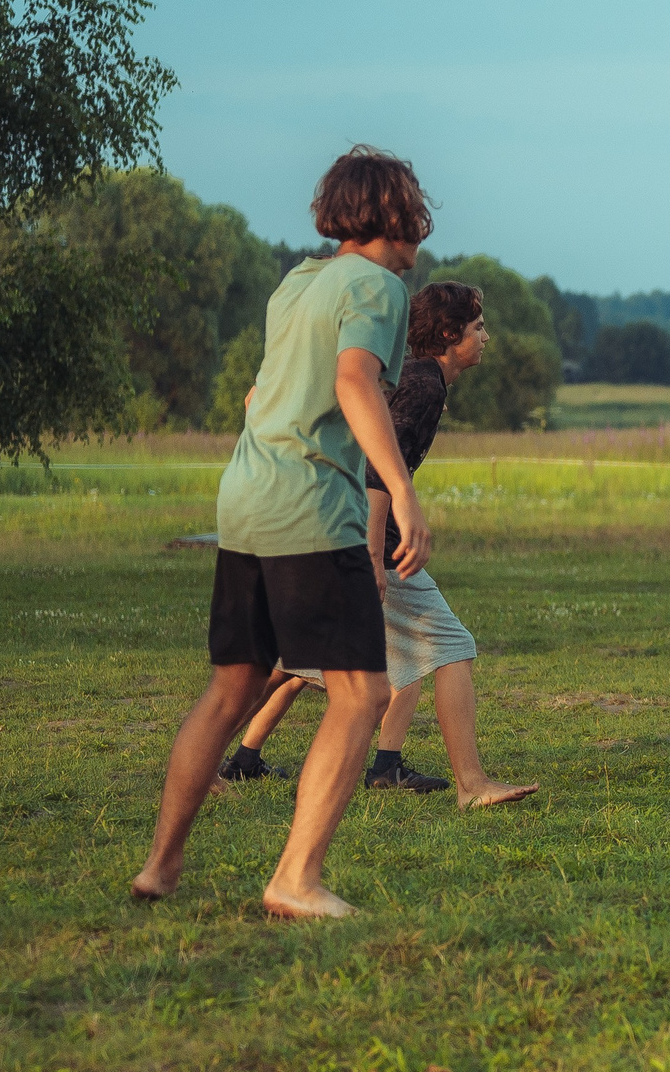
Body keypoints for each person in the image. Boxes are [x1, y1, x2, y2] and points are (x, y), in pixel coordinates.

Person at [131, 146, 435, 920]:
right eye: (415, 210)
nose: (421, 230)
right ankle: (295, 878)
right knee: (362, 691)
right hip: (309, 506)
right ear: (394, 214)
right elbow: (352, 379)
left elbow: (257, 392)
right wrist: (401, 490)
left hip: (246, 499)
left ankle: (162, 867)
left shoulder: (297, 284)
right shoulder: (379, 285)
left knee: (233, 683)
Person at [217, 282, 539, 808]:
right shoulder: (424, 385)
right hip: (361, 536)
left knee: (296, 659)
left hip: (329, 527)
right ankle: (472, 785)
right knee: (452, 646)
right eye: (479, 328)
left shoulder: (416, 378)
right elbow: (376, 471)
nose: (487, 338)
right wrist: (372, 555)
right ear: (448, 334)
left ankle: (216, 757)